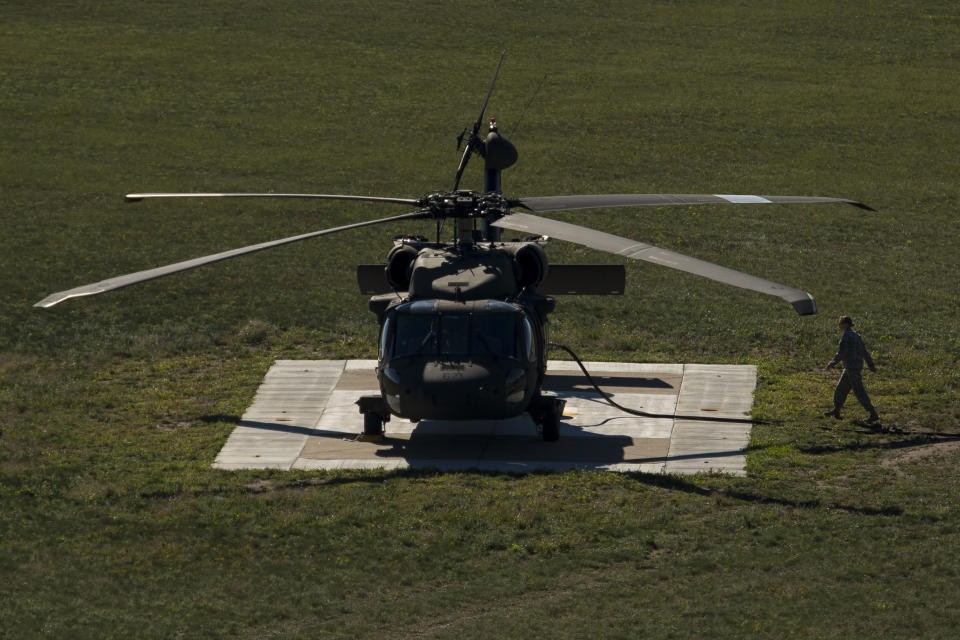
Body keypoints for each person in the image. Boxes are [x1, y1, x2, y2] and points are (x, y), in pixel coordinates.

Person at [825, 315, 879, 422]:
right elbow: (864, 351)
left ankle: (872, 413)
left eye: (840, 323)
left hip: (851, 367)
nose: (839, 325)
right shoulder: (856, 335)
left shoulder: (846, 336)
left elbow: (842, 352)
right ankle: (836, 410)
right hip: (854, 367)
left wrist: (832, 363)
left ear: (845, 324)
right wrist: (870, 364)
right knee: (841, 388)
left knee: (859, 391)